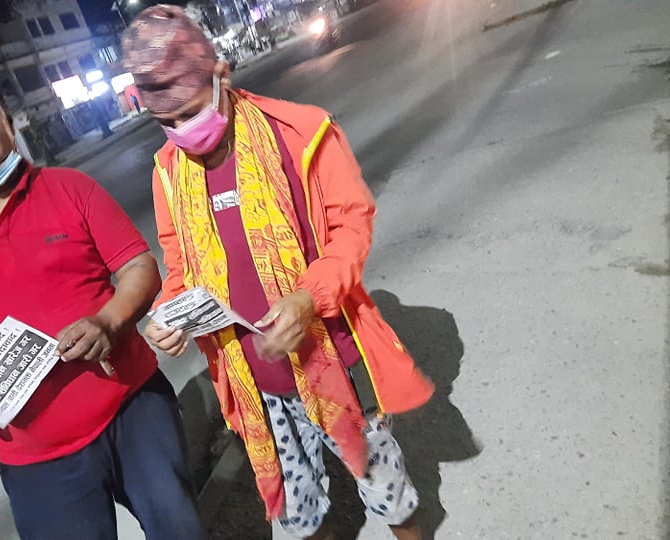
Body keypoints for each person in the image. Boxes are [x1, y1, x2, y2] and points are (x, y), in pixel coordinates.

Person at [122, 7, 435, 540]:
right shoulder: (167, 172)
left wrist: (309, 297)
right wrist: (168, 313)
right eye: (166, 123)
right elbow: (182, 266)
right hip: (258, 382)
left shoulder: (302, 131)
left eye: (190, 113)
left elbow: (351, 225)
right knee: (298, 511)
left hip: (334, 356)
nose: (180, 132)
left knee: (388, 492)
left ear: (222, 76)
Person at [0, 49, 205, 540]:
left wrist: (109, 320)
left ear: (6, 117)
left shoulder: (69, 187)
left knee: (181, 532)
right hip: (36, 457)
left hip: (134, 407)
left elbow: (138, 266)